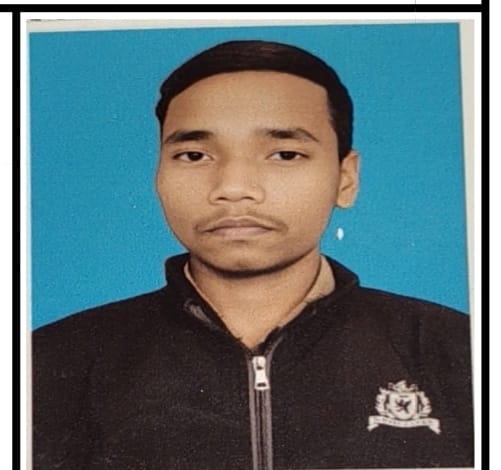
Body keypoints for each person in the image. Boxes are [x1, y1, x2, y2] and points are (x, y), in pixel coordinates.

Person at [33, 40, 473, 469]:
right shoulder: (44, 364)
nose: (233, 188)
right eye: (194, 155)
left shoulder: (462, 350)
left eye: (284, 154)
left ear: (345, 179)